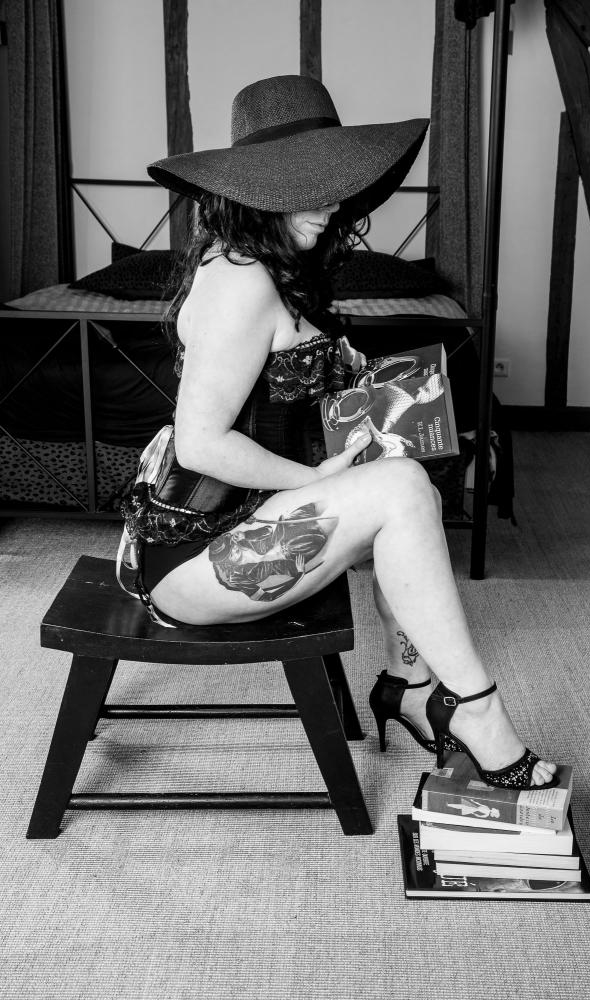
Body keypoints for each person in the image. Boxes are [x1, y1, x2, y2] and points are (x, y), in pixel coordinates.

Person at [120, 74, 556, 791]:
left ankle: (410, 683)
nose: (330, 204)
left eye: (335, 185)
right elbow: (199, 444)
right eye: (309, 188)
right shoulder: (240, 281)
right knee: (402, 489)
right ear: (259, 191)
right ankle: (472, 710)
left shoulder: (274, 268)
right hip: (192, 561)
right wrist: (314, 478)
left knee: (410, 482)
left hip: (250, 525)